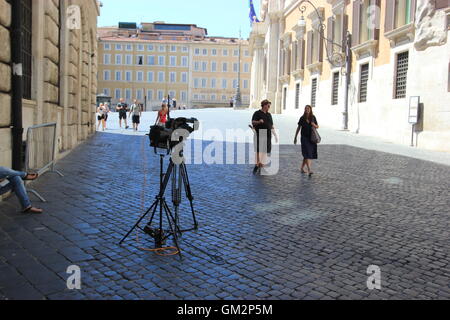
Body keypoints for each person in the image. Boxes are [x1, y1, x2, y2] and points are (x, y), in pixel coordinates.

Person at [251, 100, 278, 175]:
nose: (269, 107)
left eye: (269, 106)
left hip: (268, 135)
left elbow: (271, 125)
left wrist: (275, 134)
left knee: (265, 152)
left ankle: (261, 166)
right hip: (259, 134)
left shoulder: (269, 115)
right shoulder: (257, 113)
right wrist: (259, 122)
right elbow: (253, 122)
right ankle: (257, 165)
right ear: (264, 105)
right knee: (259, 151)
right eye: (268, 106)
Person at [294, 105, 319, 176]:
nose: (307, 110)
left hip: (312, 138)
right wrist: (295, 137)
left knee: (307, 154)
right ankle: (309, 169)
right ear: (304, 110)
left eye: (308, 109)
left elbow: (317, 126)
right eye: (306, 109)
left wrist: (313, 124)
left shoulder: (313, 117)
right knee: (307, 153)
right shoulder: (302, 118)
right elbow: (298, 128)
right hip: (304, 138)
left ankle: (302, 168)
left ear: (310, 110)